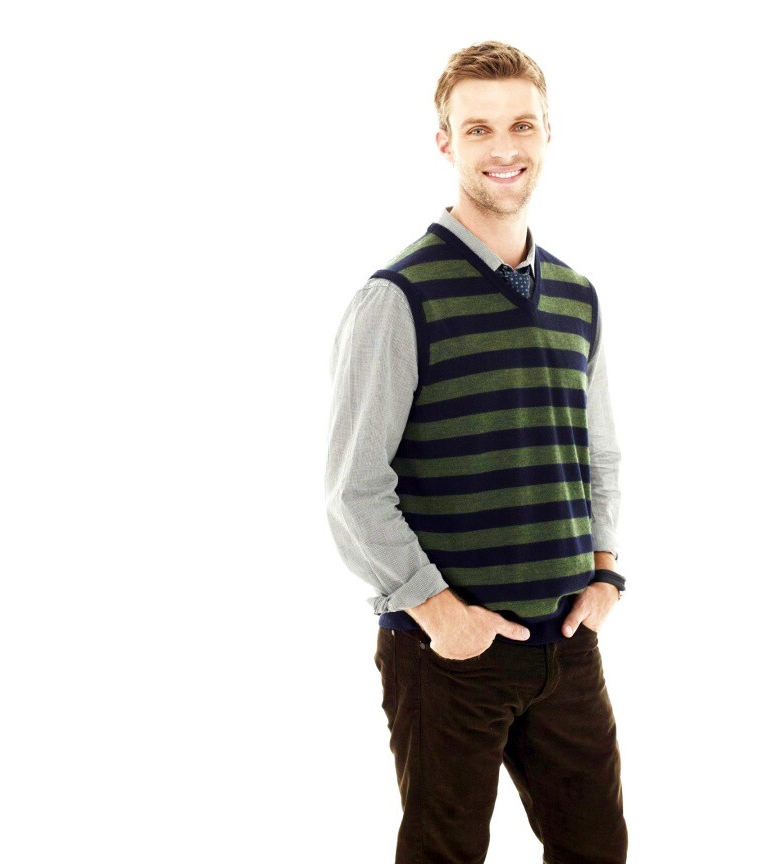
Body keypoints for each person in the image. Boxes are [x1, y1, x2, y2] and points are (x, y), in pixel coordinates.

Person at [325, 40, 628, 864]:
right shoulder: (398, 298)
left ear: (547, 135)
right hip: (448, 654)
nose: (504, 148)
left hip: (566, 642)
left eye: (522, 125)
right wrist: (438, 615)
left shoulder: (576, 295)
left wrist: (603, 572)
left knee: (598, 850)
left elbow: (596, 454)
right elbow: (354, 490)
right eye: (479, 128)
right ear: (445, 142)